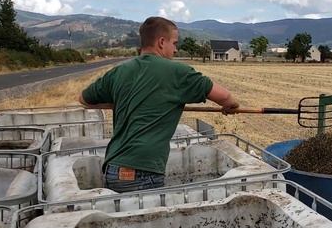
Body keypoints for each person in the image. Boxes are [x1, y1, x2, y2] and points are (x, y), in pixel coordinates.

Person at [78, 16, 239, 193]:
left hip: (113, 169)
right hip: (143, 173)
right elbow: (225, 97)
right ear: (162, 42)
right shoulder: (177, 72)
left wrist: (122, 99)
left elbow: (84, 99)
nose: (176, 50)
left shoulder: (119, 71)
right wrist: (230, 106)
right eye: (174, 43)